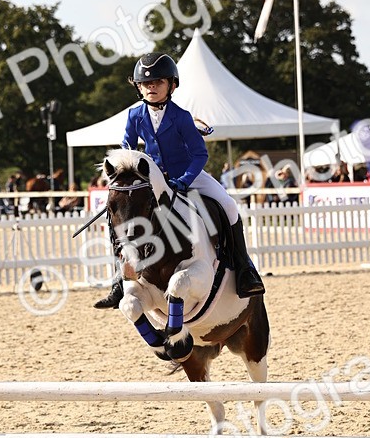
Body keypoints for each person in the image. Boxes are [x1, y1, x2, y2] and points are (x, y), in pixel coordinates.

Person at [95, 51, 265, 308]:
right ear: (139, 87)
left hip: (189, 175)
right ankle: (120, 280)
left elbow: (200, 154)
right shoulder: (134, 116)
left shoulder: (182, 116)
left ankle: (244, 270)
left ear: (171, 85)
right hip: (153, 180)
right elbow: (127, 150)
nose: (151, 87)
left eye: (158, 82)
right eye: (146, 84)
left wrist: (185, 180)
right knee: (118, 216)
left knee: (228, 206)